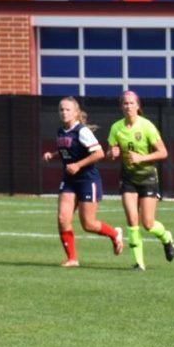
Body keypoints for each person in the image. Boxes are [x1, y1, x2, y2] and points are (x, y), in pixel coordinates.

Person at [42, 97, 124, 267]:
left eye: (67, 109)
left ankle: (114, 234)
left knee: (88, 224)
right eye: (61, 110)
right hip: (69, 180)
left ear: (76, 112)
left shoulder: (82, 131)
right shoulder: (61, 131)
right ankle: (72, 258)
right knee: (63, 218)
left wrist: (78, 165)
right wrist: (53, 154)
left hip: (87, 180)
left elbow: (99, 153)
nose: (64, 112)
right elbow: (67, 149)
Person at [106, 90, 174, 271]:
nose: (128, 106)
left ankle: (167, 238)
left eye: (131, 103)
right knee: (132, 219)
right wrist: (111, 153)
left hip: (148, 177)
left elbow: (163, 152)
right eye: (125, 103)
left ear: (138, 106)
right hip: (128, 178)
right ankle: (139, 263)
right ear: (121, 107)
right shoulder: (116, 128)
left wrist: (141, 158)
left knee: (148, 223)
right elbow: (110, 151)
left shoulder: (147, 126)